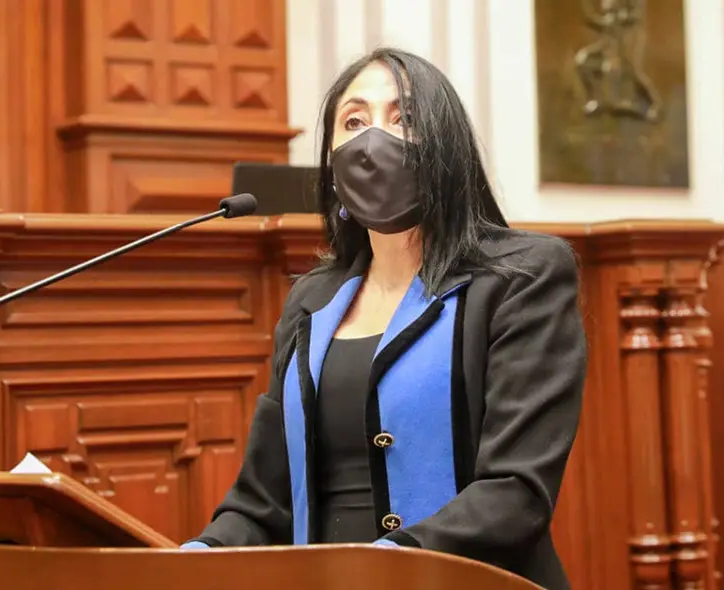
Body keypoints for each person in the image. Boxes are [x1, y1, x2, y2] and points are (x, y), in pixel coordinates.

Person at [182, 47, 587, 590]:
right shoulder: (311, 301)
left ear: (447, 146)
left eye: (405, 119)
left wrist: (383, 565)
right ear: (331, 161)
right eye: (354, 121)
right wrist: (195, 556)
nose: (375, 138)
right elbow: (263, 501)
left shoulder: (522, 277)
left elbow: (515, 492)